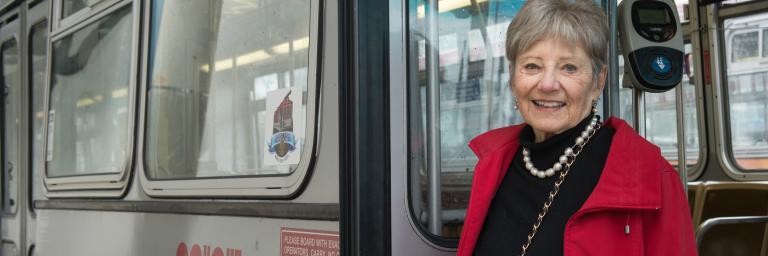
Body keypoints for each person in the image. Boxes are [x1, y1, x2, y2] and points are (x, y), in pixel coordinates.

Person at [456, 0, 697, 255]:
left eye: (569, 67)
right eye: (532, 66)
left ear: (598, 81)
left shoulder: (652, 176)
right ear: (513, 77)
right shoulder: (493, 164)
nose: (548, 84)